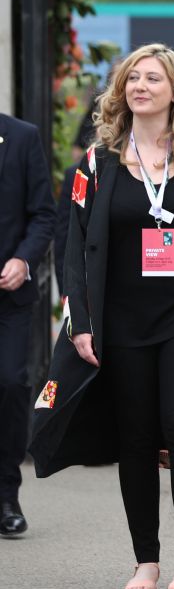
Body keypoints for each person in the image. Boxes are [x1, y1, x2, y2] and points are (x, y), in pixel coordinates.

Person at [29, 43, 174, 589]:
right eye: (133, 78)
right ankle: (146, 561)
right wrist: (79, 319)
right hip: (121, 323)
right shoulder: (98, 162)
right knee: (134, 440)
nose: (140, 87)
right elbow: (74, 248)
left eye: (153, 78)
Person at [0, 113, 56, 536]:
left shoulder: (21, 137)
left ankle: (6, 495)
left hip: (9, 295)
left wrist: (23, 259)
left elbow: (43, 214)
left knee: (10, 383)